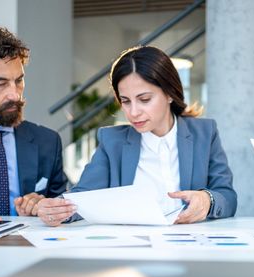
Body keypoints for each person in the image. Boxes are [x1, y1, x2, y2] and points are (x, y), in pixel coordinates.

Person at [38, 46, 237, 226]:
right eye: (125, 101)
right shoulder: (112, 141)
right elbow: (83, 197)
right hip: (132, 247)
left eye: (144, 99)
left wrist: (207, 200)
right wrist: (57, 209)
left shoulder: (204, 133)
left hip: (190, 245)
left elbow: (227, 197)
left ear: (170, 94)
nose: (133, 112)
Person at [0, 25, 67, 220]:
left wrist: (48, 208)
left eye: (19, 81)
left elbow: (63, 205)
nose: (15, 94)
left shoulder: (47, 142)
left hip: (26, 249)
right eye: (0, 83)